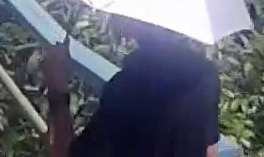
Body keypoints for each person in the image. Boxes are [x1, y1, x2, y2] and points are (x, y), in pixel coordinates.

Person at [42, 17, 221, 157]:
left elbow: (63, 153)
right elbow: (208, 150)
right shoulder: (204, 76)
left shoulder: (126, 88)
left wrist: (57, 87)